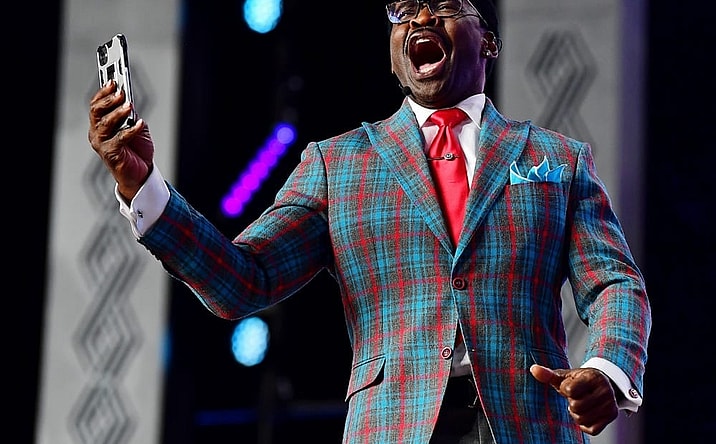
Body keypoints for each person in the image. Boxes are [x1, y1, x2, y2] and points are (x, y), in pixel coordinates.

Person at [88, 0, 651, 442]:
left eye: (445, 4)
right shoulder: (338, 163)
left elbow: (614, 283)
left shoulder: (555, 157)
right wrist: (143, 188)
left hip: (527, 425)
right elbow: (243, 280)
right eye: (404, 10)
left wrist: (605, 369)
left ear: (491, 40)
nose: (421, 18)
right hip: (392, 426)